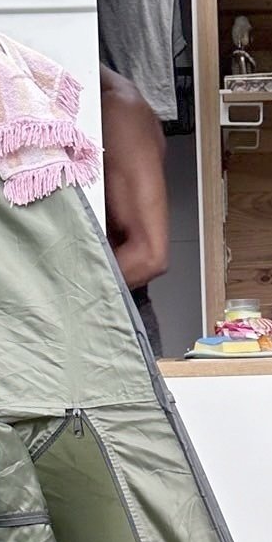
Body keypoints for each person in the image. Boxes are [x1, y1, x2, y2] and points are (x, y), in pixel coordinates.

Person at [99, 65, 169, 352]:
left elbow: (149, 256)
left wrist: (38, 308)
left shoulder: (116, 107)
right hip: (78, 320)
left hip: (112, 330)